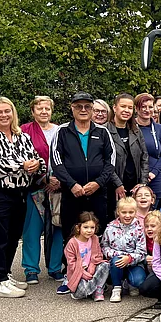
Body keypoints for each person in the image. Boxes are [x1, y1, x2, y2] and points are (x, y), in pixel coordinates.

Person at [0, 97, 46, 298]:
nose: (4, 115)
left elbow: (36, 157)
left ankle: (5, 273)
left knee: (13, 236)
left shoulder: (21, 136)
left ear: (13, 113)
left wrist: (36, 165)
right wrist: (22, 165)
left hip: (20, 193)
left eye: (7, 111)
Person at [52, 92, 119, 251]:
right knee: (71, 232)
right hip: (72, 194)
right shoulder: (62, 131)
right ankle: (71, 270)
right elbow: (56, 162)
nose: (83, 110)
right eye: (79, 106)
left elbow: (111, 162)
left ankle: (97, 271)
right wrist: (71, 184)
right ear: (72, 108)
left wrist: (98, 183)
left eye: (87, 106)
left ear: (92, 109)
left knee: (98, 232)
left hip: (97, 194)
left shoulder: (103, 132)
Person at [20, 96, 63, 285]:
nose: (44, 112)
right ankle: (31, 269)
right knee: (32, 230)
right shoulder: (24, 131)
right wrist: (42, 177)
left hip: (59, 187)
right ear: (33, 111)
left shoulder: (61, 130)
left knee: (57, 227)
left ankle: (55, 268)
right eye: (39, 108)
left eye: (47, 108)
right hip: (35, 186)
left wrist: (59, 180)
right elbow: (21, 156)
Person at [102, 197, 147, 302]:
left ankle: (130, 283)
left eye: (131, 212)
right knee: (117, 261)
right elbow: (104, 246)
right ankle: (116, 288)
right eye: (124, 212)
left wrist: (129, 258)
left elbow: (142, 252)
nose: (127, 215)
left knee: (139, 281)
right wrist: (120, 255)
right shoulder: (110, 227)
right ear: (118, 212)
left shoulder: (139, 229)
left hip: (134, 263)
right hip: (116, 262)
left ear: (135, 212)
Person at [106, 93, 149, 199]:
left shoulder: (136, 131)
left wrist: (142, 184)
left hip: (134, 187)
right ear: (115, 108)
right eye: (123, 106)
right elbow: (104, 161)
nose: (126, 110)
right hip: (112, 188)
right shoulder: (104, 131)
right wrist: (117, 184)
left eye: (130, 108)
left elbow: (144, 157)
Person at [63, 212, 108, 301]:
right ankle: (94, 287)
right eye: (85, 227)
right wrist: (83, 273)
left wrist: (92, 265)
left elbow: (98, 256)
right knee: (81, 294)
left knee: (106, 265)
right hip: (78, 273)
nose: (89, 230)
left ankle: (97, 290)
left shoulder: (94, 238)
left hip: (92, 271)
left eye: (92, 227)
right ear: (78, 227)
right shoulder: (72, 243)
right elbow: (71, 264)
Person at [135, 93, 161, 204]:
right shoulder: (130, 127)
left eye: (150, 107)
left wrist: (154, 172)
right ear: (136, 108)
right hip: (135, 176)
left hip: (154, 177)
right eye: (143, 107)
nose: (147, 110)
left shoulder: (160, 129)